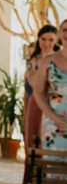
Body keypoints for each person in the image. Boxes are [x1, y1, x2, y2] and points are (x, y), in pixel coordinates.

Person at [21, 24, 57, 184]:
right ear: (38, 40)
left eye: (51, 39)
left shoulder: (60, 59)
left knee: (50, 148)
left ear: (56, 40)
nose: (47, 43)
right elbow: (34, 88)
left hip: (55, 106)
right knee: (33, 148)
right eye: (43, 39)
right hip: (35, 107)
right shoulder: (31, 61)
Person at [32, 17, 67, 154]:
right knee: (52, 167)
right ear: (59, 34)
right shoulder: (47, 61)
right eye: (64, 30)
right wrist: (55, 119)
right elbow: (38, 92)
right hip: (52, 124)